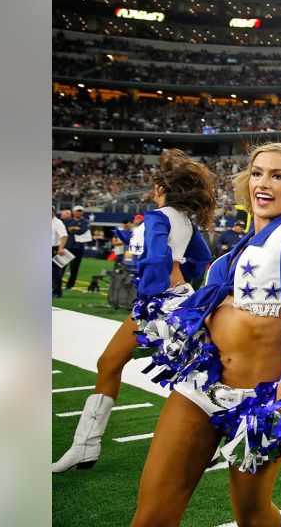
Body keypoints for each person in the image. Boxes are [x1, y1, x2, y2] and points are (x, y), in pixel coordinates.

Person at [130, 142, 281, 526]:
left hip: (258, 405)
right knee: (151, 515)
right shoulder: (237, 249)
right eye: (257, 173)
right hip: (200, 389)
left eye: (277, 175)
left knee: (252, 517)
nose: (263, 182)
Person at [53, 150, 216, 474]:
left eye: (156, 184)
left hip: (158, 302)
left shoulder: (158, 216)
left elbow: (156, 259)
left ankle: (205, 445)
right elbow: (202, 257)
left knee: (186, 377)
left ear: (162, 188)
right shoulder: (184, 219)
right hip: (177, 298)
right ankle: (85, 446)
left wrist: (150, 293)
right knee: (116, 363)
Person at [64, 205, 92, 291]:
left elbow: (82, 230)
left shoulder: (85, 221)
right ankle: (55, 283)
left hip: (78, 248)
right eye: (77, 211)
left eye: (80, 211)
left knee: (74, 268)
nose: (78, 212)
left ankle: (69, 286)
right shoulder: (68, 221)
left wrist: (73, 229)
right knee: (61, 266)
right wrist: (74, 229)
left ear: (82, 212)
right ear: (73, 212)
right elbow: (65, 230)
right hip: (68, 246)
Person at [52, 207, 69, 298]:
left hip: (54, 248)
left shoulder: (58, 223)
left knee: (56, 272)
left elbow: (64, 236)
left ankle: (57, 292)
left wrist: (61, 248)